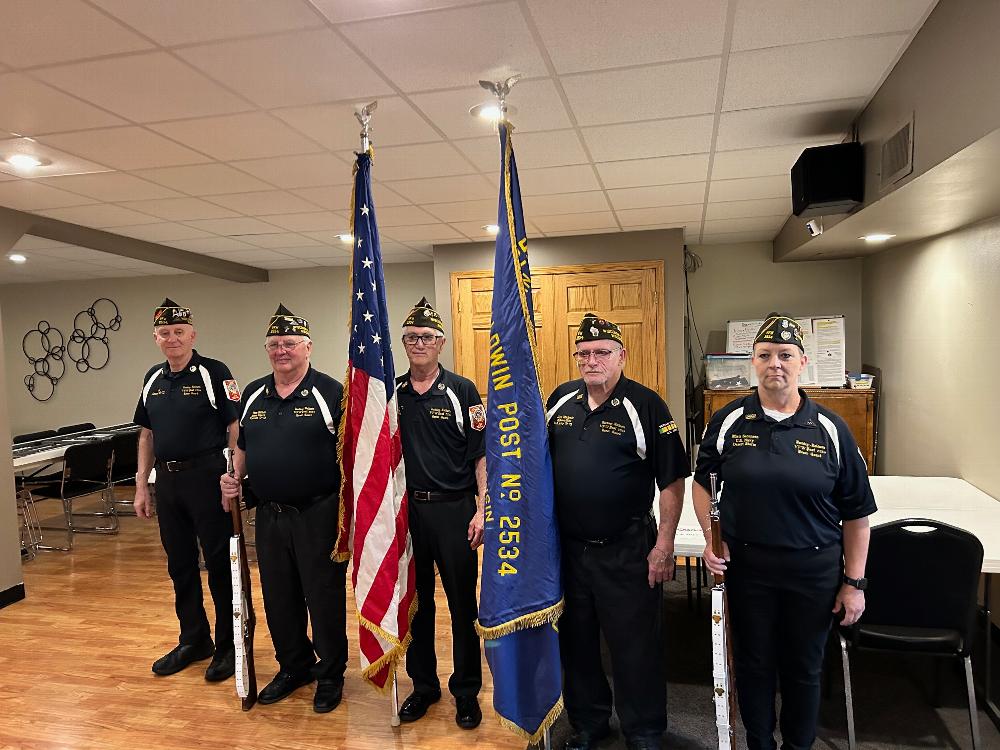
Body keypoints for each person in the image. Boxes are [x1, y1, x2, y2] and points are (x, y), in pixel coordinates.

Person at [694, 313, 876, 750]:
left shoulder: (831, 428)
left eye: (785, 355)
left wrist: (853, 583)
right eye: (765, 355)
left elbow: (857, 514)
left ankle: (798, 745)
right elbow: (702, 483)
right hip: (749, 569)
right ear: (753, 362)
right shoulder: (727, 421)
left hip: (811, 571)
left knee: (804, 667)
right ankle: (760, 742)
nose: (775, 363)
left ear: (802, 362)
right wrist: (710, 538)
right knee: (754, 665)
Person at [546, 313, 689, 750]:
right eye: (584, 353)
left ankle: (643, 730)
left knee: (634, 646)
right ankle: (588, 723)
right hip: (569, 550)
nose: (592, 361)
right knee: (577, 643)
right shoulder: (559, 400)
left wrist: (664, 544)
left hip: (626, 548)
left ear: (621, 356)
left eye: (602, 353)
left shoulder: (646, 406)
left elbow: (672, 481)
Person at [219, 305, 348, 714]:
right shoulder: (254, 393)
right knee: (279, 598)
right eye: (274, 344)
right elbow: (242, 447)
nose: (282, 351)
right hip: (270, 516)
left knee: (322, 598)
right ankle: (294, 666)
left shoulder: (332, 393)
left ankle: (330, 675)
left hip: (319, 514)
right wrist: (233, 478)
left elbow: (351, 456)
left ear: (308, 347)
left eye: (290, 343)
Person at [133, 298, 240, 682]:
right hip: (169, 482)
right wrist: (142, 485)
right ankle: (194, 639)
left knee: (218, 565)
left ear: (192, 335)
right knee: (179, 565)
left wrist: (233, 479)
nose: (172, 339)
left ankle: (230, 644)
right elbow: (147, 435)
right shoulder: (152, 378)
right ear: (156, 339)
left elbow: (235, 428)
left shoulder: (214, 372)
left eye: (179, 332)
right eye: (165, 333)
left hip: (208, 478)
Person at [394, 297, 485, 730]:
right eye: (411, 337)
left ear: (441, 343)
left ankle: (466, 691)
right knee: (417, 605)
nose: (418, 344)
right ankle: (423, 686)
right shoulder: (392, 393)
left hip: (455, 511)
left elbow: (481, 456)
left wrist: (482, 509)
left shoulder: (462, 390)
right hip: (409, 514)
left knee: (463, 604)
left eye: (426, 337)